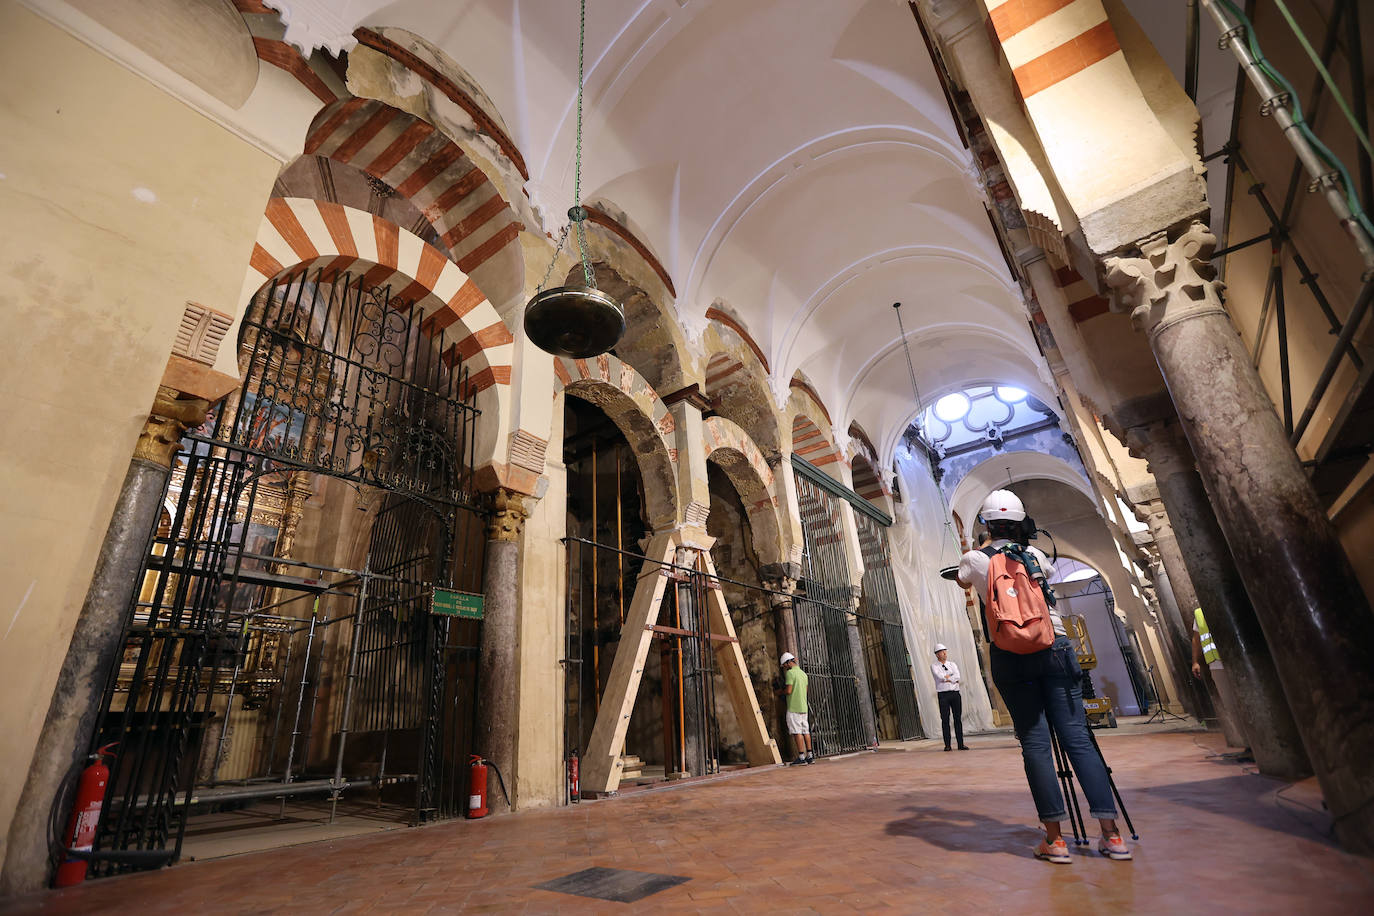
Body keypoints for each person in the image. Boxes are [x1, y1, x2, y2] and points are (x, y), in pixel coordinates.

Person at [956, 489, 1131, 864]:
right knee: (1079, 741)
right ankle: (1112, 836)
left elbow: (962, 580)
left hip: (1011, 654)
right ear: (1021, 524)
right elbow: (1046, 576)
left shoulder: (974, 558)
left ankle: (1055, 841)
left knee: (1035, 745)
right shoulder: (1033, 553)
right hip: (1055, 648)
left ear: (985, 523)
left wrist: (984, 548)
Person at [931, 643, 968, 751]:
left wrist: (948, 678)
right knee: (945, 719)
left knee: (957, 719)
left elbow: (957, 676)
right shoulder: (934, 666)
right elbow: (939, 676)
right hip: (943, 694)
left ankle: (960, 744)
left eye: (945, 651)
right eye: (942, 652)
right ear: (937, 654)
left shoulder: (952, 664)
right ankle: (947, 745)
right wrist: (950, 678)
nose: (945, 653)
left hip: (955, 693)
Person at [780, 652, 813, 765]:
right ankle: (810, 756)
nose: (785, 668)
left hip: (794, 707)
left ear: (788, 663)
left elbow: (789, 690)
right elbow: (806, 690)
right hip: (803, 707)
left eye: (784, 665)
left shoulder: (790, 673)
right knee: (806, 731)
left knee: (797, 732)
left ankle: (801, 757)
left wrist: (780, 692)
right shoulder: (804, 674)